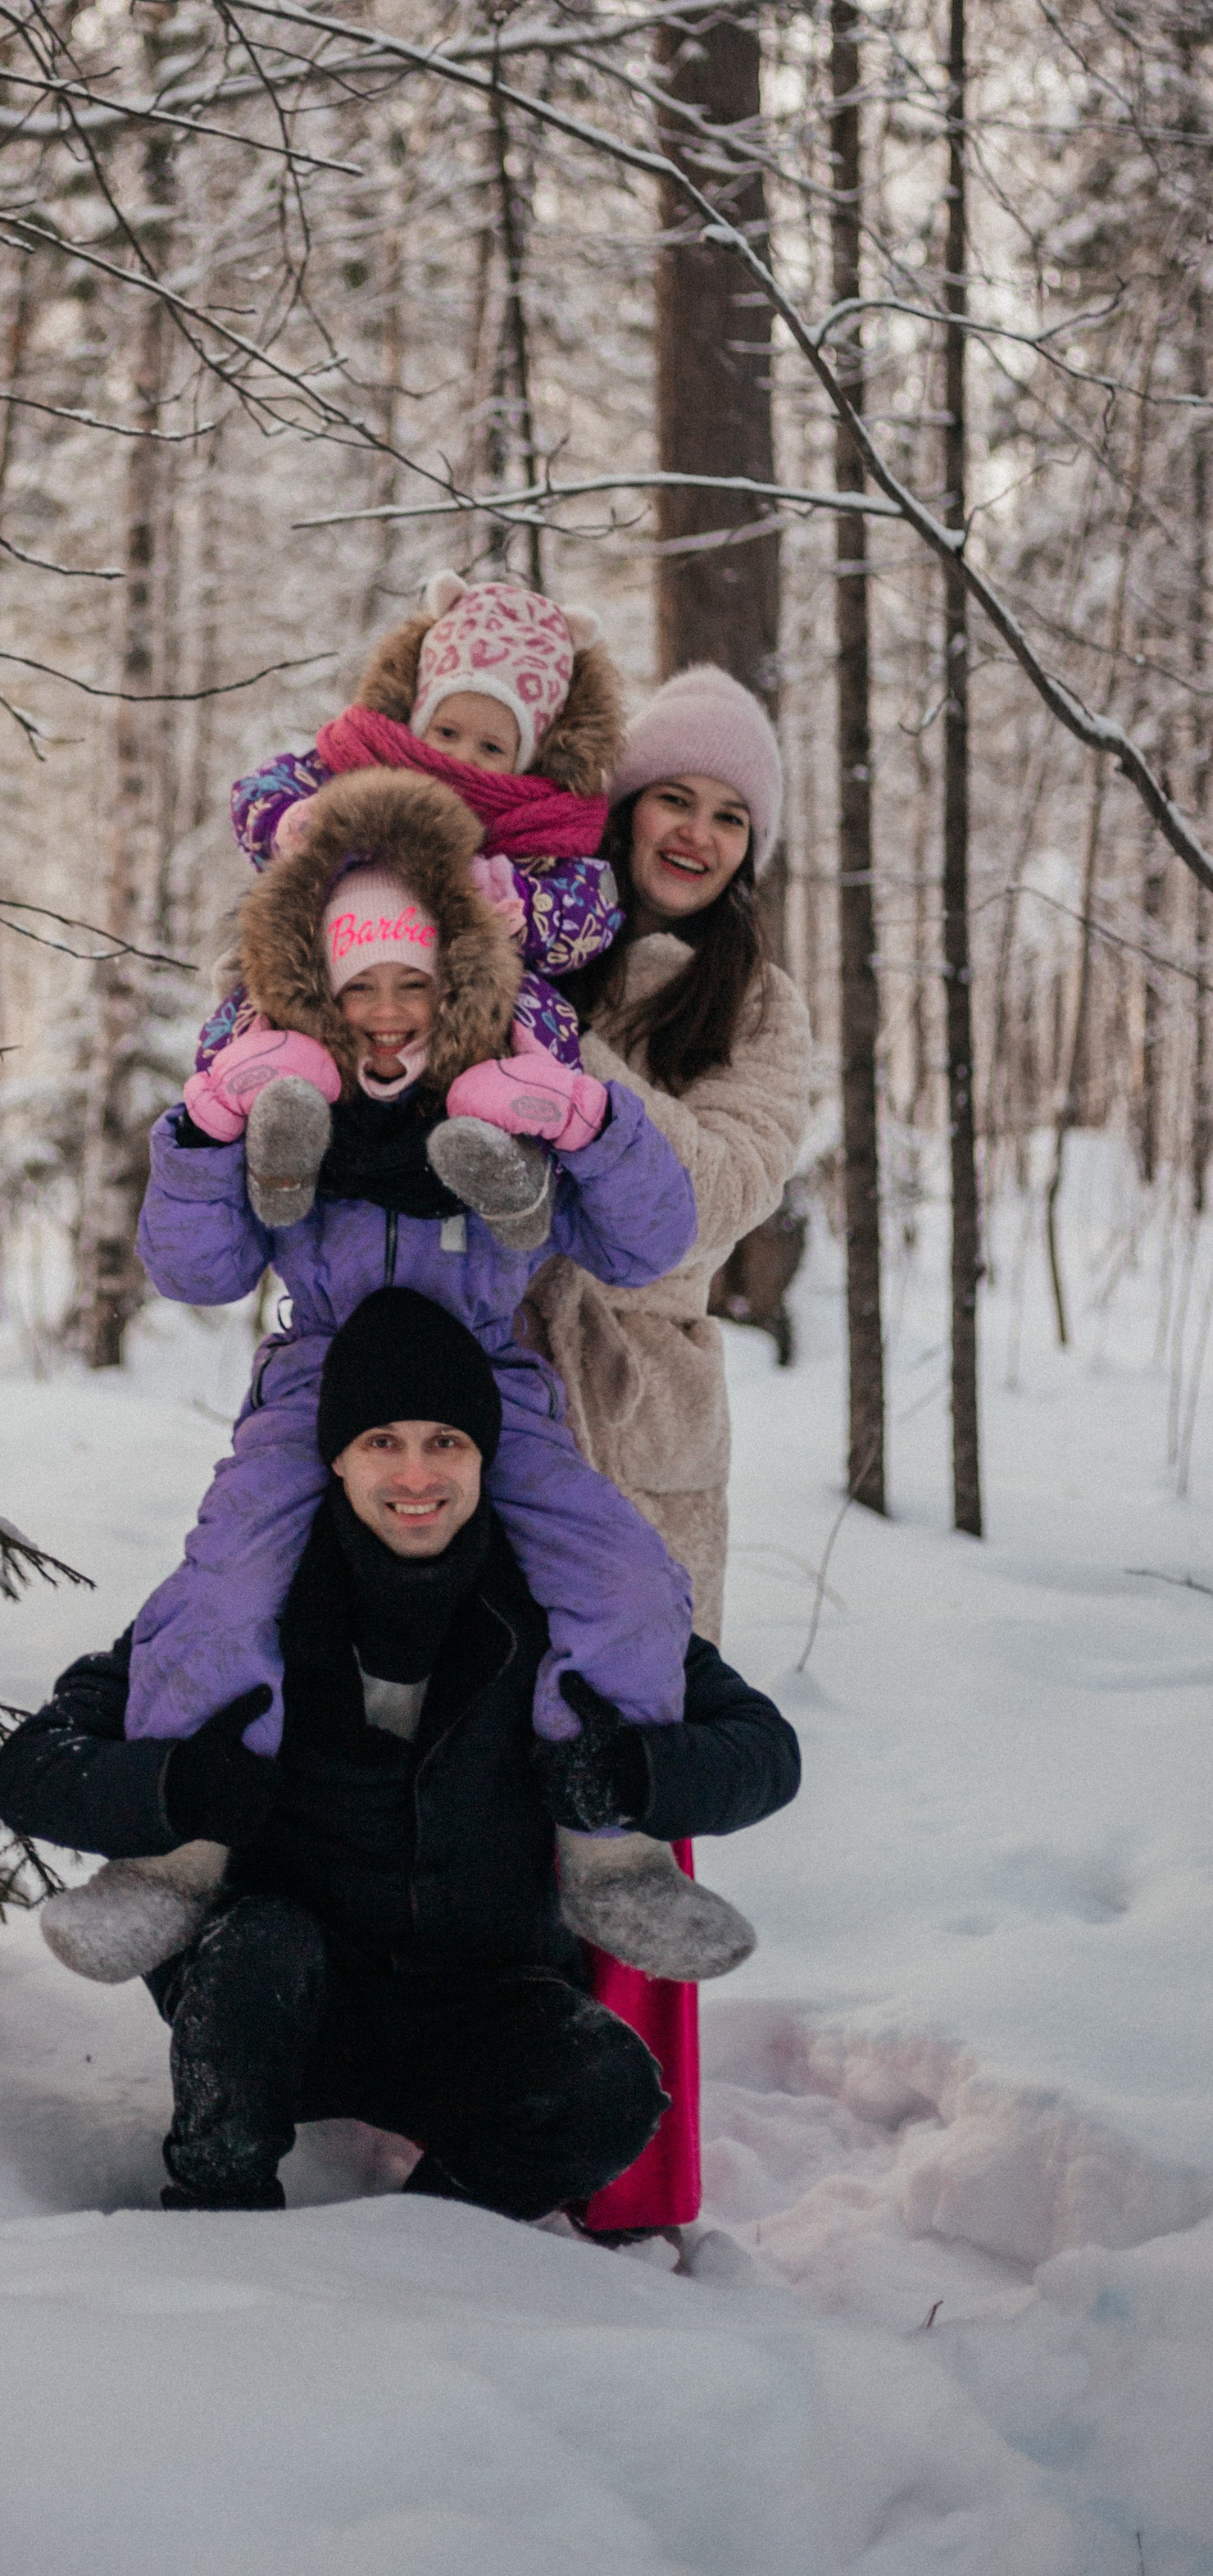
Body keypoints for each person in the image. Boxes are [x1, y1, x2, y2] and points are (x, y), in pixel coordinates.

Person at [39, 759, 762, 1990]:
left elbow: (646, 1239)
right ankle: (172, 1861)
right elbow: (195, 1269)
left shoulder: (514, 1085)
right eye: (357, 985)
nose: (385, 1012)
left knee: (625, 1571)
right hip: (317, 1377)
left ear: (457, 981)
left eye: (412, 984)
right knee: (224, 1587)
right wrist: (207, 1131)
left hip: (488, 1380)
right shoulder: (281, 1087)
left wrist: (589, 1120)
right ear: (316, 989)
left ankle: (612, 1855)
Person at [0, 1290, 802, 2220]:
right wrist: (175, 1788)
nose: (415, 1473)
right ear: (334, 1455)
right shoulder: (238, 1608)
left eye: (445, 1441)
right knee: (257, 1950)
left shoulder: (568, 1612)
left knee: (608, 2088)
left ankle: (428, 2243)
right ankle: (218, 2205)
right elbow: (35, 1762)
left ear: (485, 1455)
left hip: (478, 1998)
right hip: (281, 2000)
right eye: (381, 1440)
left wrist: (638, 1772)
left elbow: (763, 1747)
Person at [535, 664, 815, 2237]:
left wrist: (558, 1074)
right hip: (480, 1417)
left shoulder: (755, 1009)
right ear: (624, 803)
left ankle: (632, 2190)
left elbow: (695, 1213)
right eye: (677, 798)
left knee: (619, 1799)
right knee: (466, 1795)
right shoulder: (531, 937)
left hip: (636, 1436)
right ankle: (455, 2154)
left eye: (731, 816)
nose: (700, 834)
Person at [198, 568, 626, 1243]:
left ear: (531, 752)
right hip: (349, 971)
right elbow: (262, 787)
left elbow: (594, 910)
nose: (462, 758)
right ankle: (270, 1124)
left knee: (538, 1018)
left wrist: (526, 902)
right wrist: (296, 822)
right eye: (446, 731)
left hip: (471, 1001)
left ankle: (514, 1158)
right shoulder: (358, 758)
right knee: (260, 995)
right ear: (418, 713)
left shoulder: (545, 822)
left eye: (492, 746)